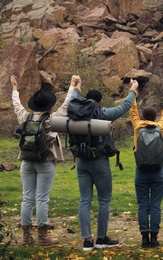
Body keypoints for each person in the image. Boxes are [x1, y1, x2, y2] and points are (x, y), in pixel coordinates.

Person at [11, 74, 79, 246]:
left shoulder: (25, 117)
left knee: (27, 198)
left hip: (26, 162)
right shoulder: (51, 120)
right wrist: (72, 85)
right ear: (48, 106)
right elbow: (67, 105)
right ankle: (42, 236)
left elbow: (16, 106)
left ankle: (26, 236)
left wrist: (14, 89)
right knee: (42, 198)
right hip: (45, 161)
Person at [72, 78, 139, 252]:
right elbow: (123, 108)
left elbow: (71, 98)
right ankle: (101, 238)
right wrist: (132, 90)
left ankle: (87, 241)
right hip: (100, 162)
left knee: (85, 200)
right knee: (104, 200)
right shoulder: (101, 113)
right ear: (100, 102)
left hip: (82, 163)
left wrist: (76, 86)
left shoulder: (77, 113)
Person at [129, 80, 163, 248]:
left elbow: (132, 111)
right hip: (158, 170)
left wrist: (133, 91)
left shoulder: (137, 126)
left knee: (143, 205)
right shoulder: (160, 127)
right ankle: (154, 238)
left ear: (143, 117)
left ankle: (144, 238)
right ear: (155, 117)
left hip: (141, 171)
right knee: (155, 205)